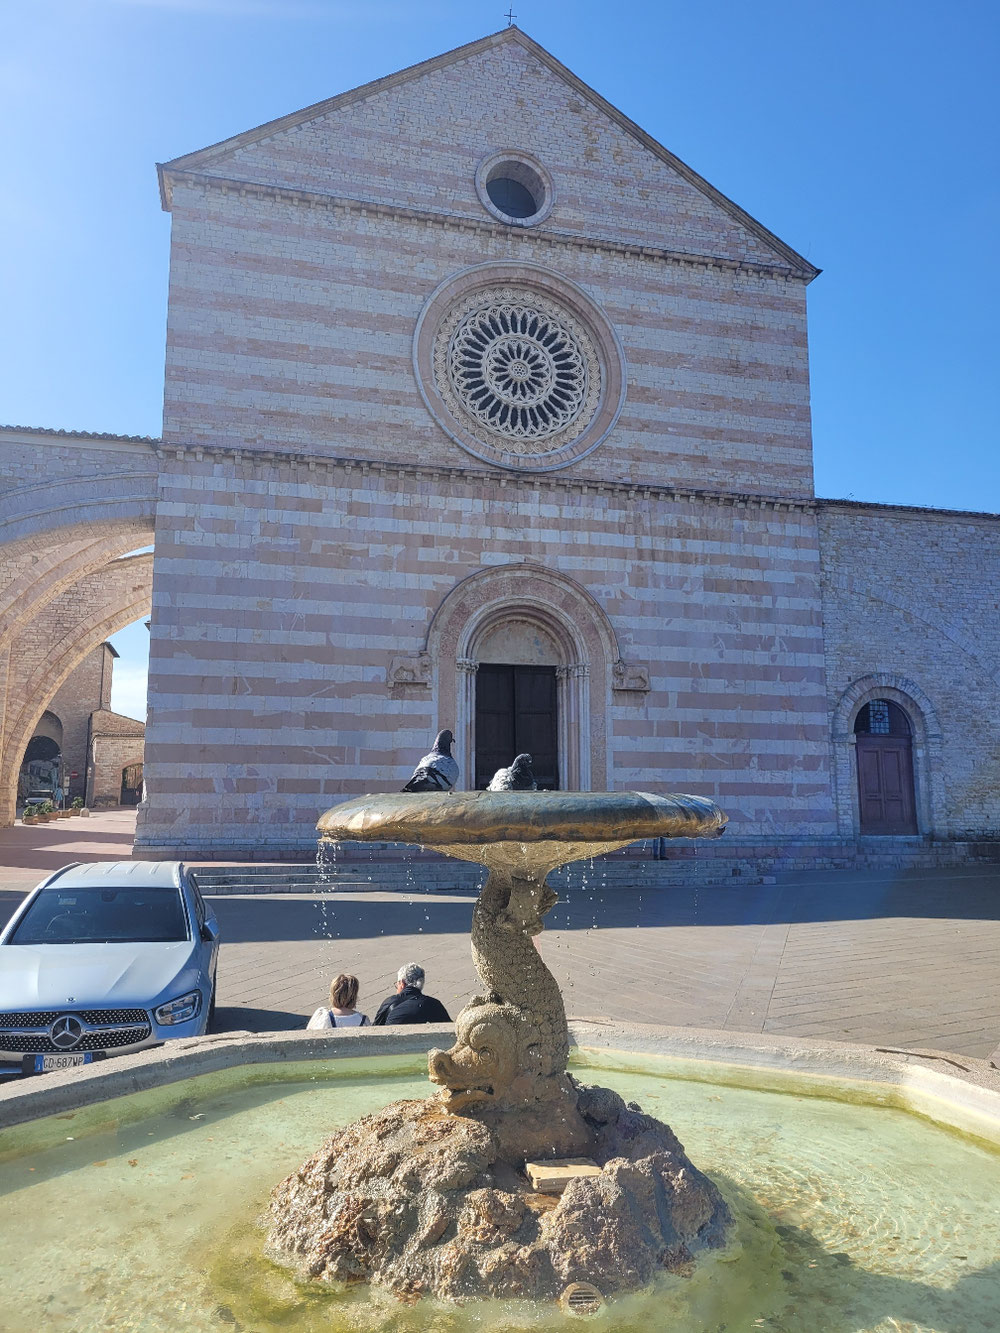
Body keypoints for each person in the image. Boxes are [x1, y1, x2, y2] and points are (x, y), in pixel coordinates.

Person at [372, 962, 451, 1026]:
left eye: (397, 984)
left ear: (402, 983)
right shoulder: (434, 1004)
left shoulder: (389, 1003)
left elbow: (375, 1029)